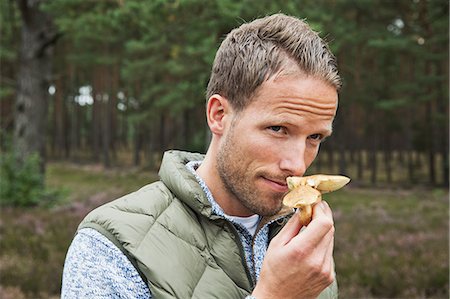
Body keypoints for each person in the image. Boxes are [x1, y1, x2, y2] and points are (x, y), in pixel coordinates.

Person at [61, 13, 341, 299]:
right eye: (278, 129)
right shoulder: (112, 246)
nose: (296, 164)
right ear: (218, 115)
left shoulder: (304, 240)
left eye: (314, 137)